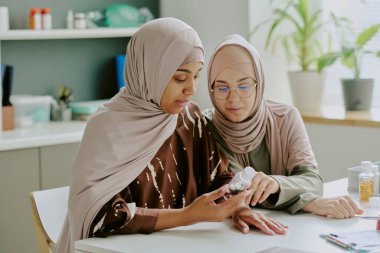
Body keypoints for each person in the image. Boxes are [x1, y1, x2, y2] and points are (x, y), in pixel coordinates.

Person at [56, 19, 287, 253]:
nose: (192, 89)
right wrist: (187, 216)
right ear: (150, 72)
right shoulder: (106, 129)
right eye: (180, 78)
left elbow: (219, 177)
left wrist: (236, 208)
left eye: (196, 76)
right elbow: (103, 216)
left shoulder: (189, 118)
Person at [204, 34, 363, 233]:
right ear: (211, 89)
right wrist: (308, 203)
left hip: (289, 232)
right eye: (222, 87)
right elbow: (236, 192)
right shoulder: (204, 126)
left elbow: (312, 181)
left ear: (259, 84)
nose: (233, 98)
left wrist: (277, 183)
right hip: (230, 234)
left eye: (244, 86)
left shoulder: (286, 118)